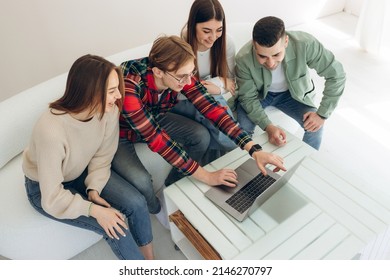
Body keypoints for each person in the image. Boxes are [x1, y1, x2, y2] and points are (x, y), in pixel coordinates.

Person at [112, 35, 286, 228]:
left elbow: (212, 109)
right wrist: (208, 176)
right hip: (120, 133)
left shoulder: (179, 74)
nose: (188, 81)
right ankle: (157, 208)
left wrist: (254, 149)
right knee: (142, 181)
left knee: (200, 136)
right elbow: (157, 140)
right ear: (158, 72)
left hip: (153, 116)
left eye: (191, 73)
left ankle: (173, 186)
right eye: (181, 76)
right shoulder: (130, 85)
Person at [22, 54, 154, 260]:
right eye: (112, 91)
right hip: (45, 190)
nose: (119, 96)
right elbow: (52, 198)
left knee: (137, 203)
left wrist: (94, 188)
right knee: (117, 229)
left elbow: (103, 154)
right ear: (89, 93)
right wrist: (95, 210)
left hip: (79, 171)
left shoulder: (108, 111)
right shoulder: (51, 131)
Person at [230, 16, 346, 150]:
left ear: (286, 41)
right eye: (262, 56)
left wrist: (321, 114)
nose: (271, 63)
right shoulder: (243, 58)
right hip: (259, 95)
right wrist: (268, 126)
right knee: (241, 130)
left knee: (315, 127)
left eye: (276, 55)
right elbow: (248, 97)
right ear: (254, 46)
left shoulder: (306, 44)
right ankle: (245, 165)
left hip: (293, 95)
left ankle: (302, 164)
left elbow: (336, 75)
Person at [171, 0, 237, 162]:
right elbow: (177, 90)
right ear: (193, 26)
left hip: (207, 96)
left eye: (219, 30)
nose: (213, 37)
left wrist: (218, 86)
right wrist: (216, 84)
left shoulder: (226, 43)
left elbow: (231, 82)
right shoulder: (180, 47)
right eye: (206, 31)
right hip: (181, 101)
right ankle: (238, 151)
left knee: (213, 113)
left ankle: (217, 165)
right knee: (215, 106)